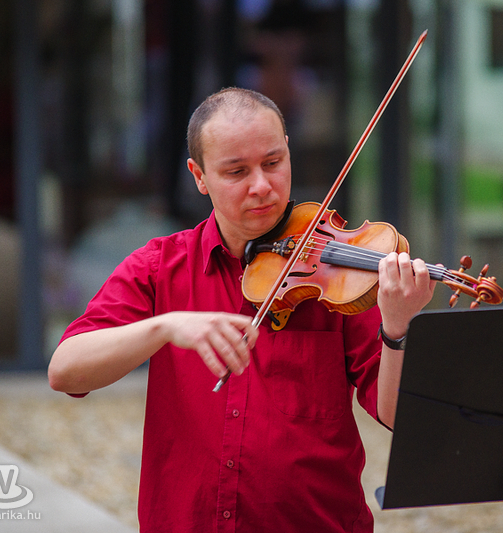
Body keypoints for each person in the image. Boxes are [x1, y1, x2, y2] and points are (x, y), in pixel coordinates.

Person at [48, 87, 436, 532]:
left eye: (273, 162)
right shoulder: (159, 267)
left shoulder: (336, 276)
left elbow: (397, 415)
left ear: (288, 150)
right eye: (236, 171)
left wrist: (397, 327)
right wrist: (165, 327)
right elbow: (65, 371)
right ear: (199, 176)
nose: (262, 186)